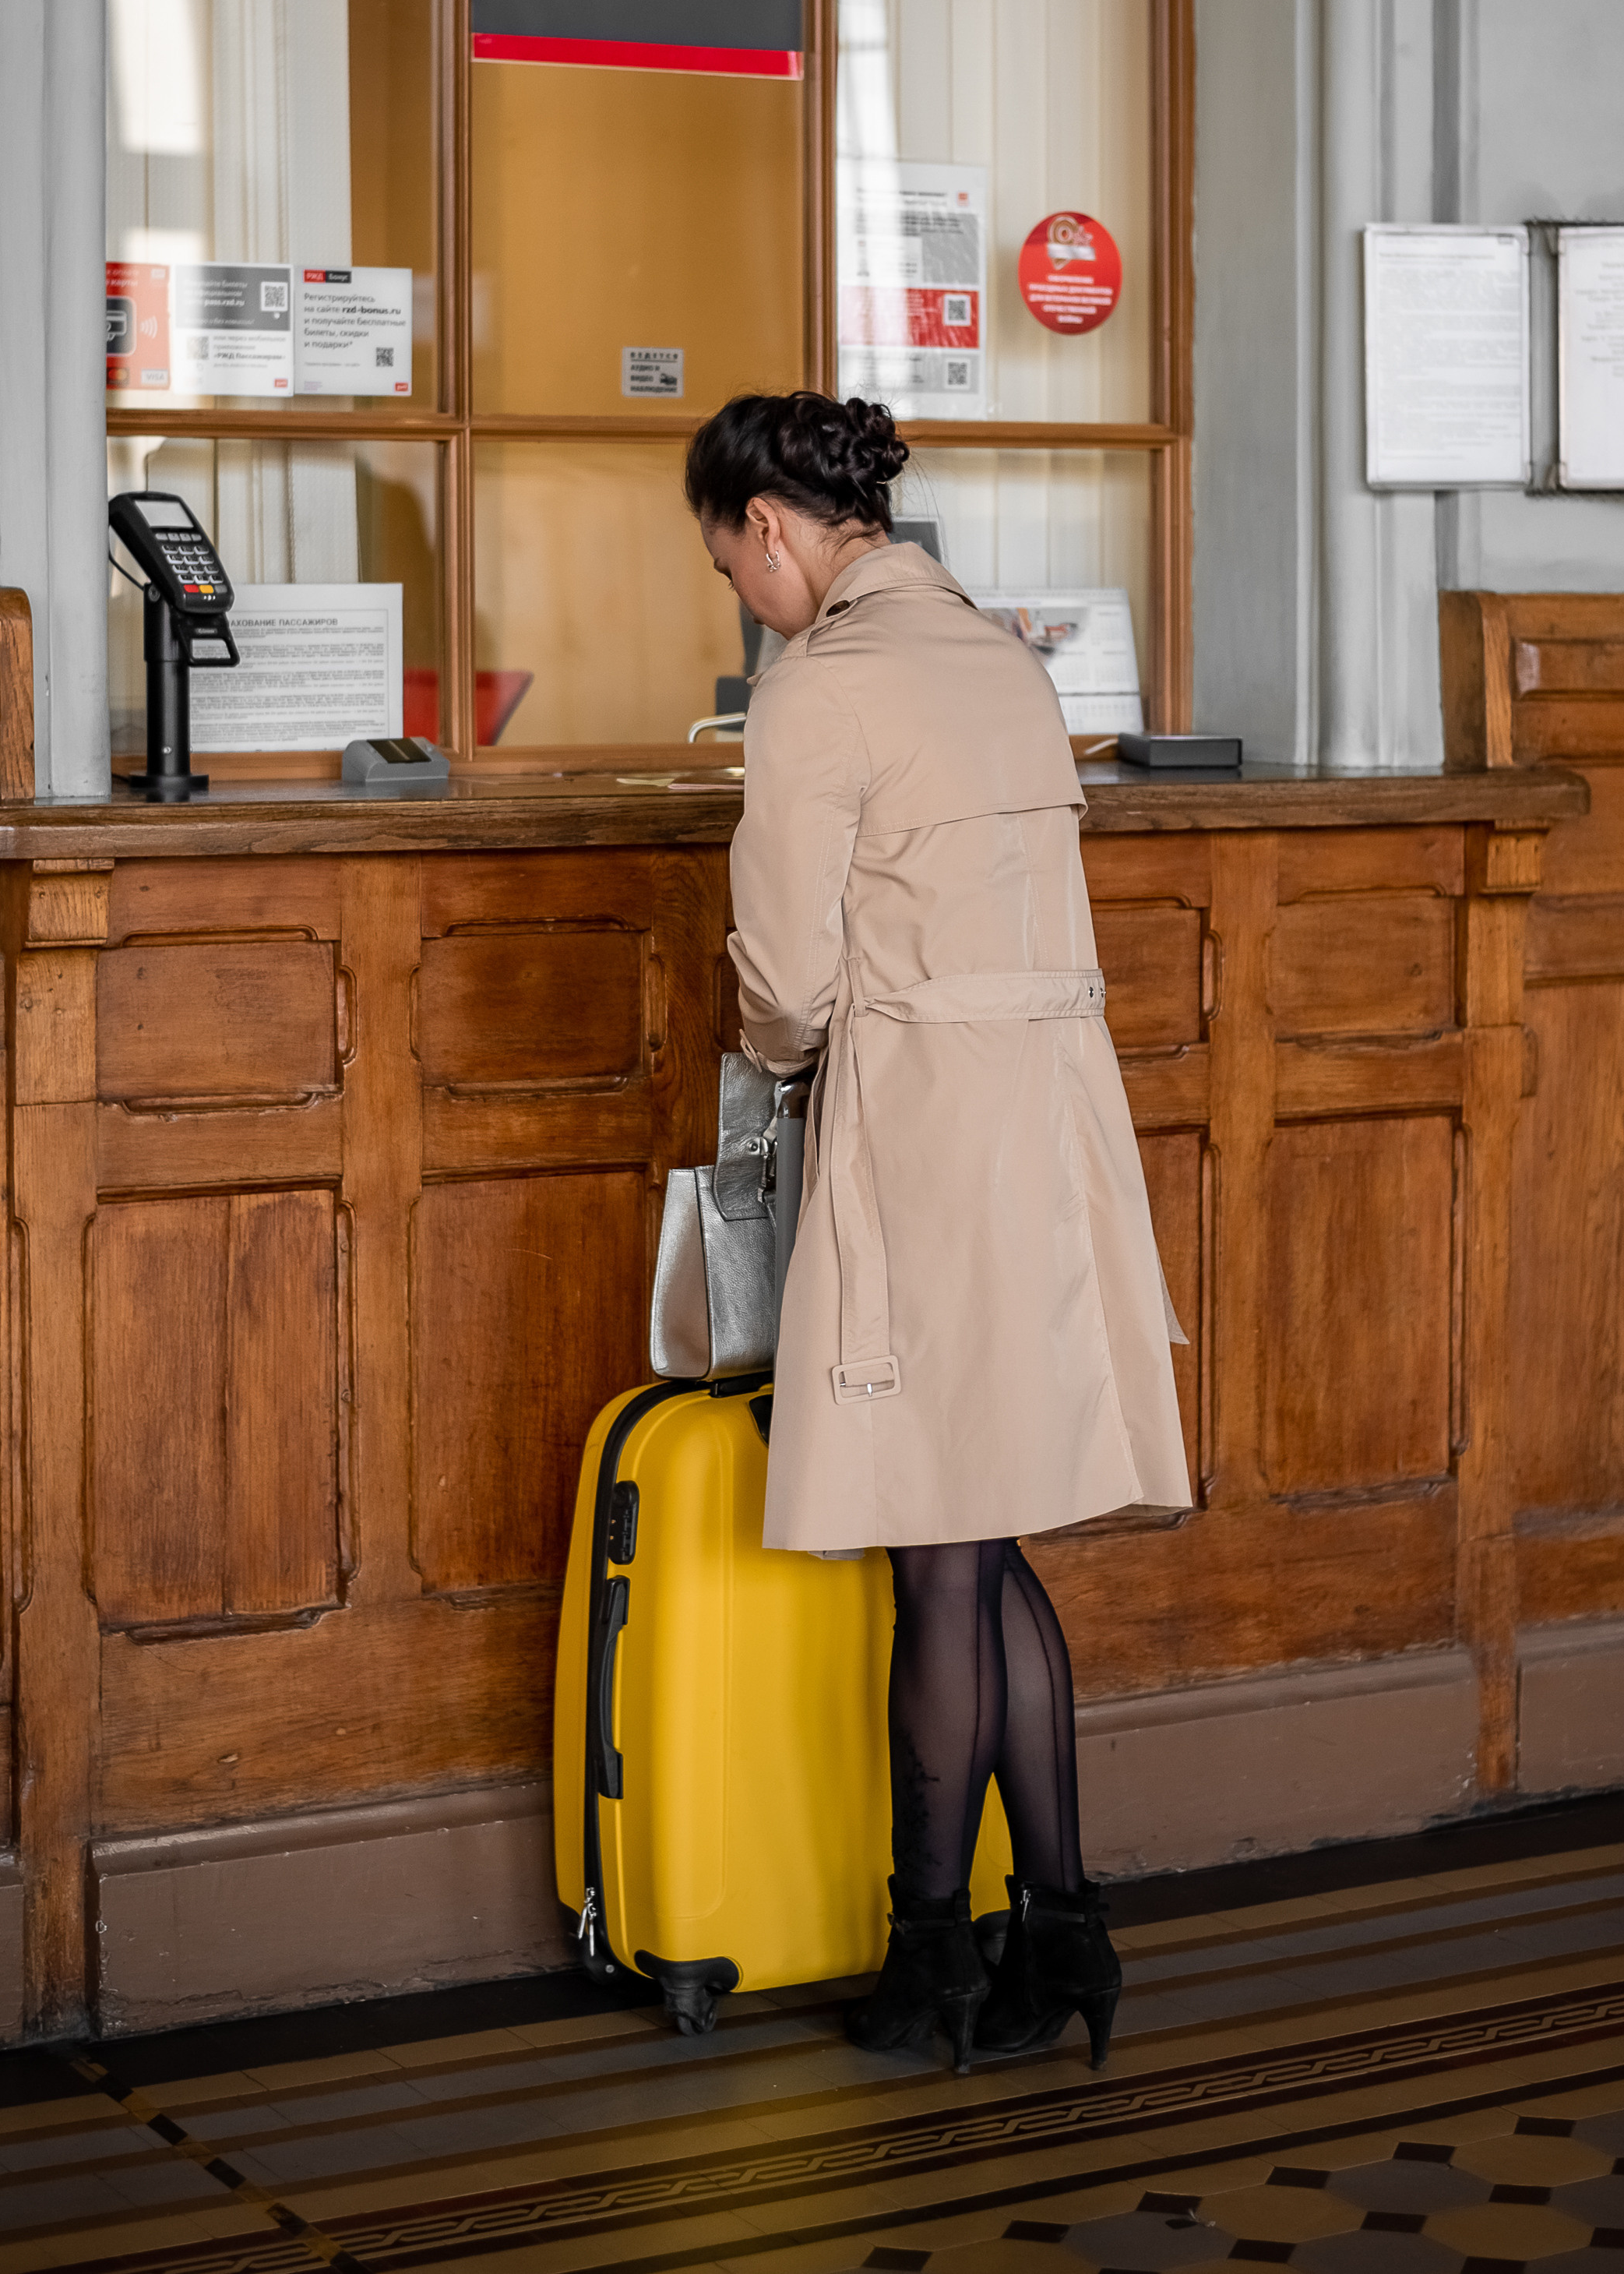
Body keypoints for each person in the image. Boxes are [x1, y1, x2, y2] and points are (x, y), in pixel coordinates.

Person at [685, 390, 1194, 2078]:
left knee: (937, 1550)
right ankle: (1063, 1930)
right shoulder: (997, 656)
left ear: (767, 526)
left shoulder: (816, 688)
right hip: (1053, 1116)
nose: (740, 598)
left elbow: (784, 976)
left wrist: (771, 1062)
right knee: (989, 1532)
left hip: (920, 1119)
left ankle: (933, 1968)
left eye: (726, 562)